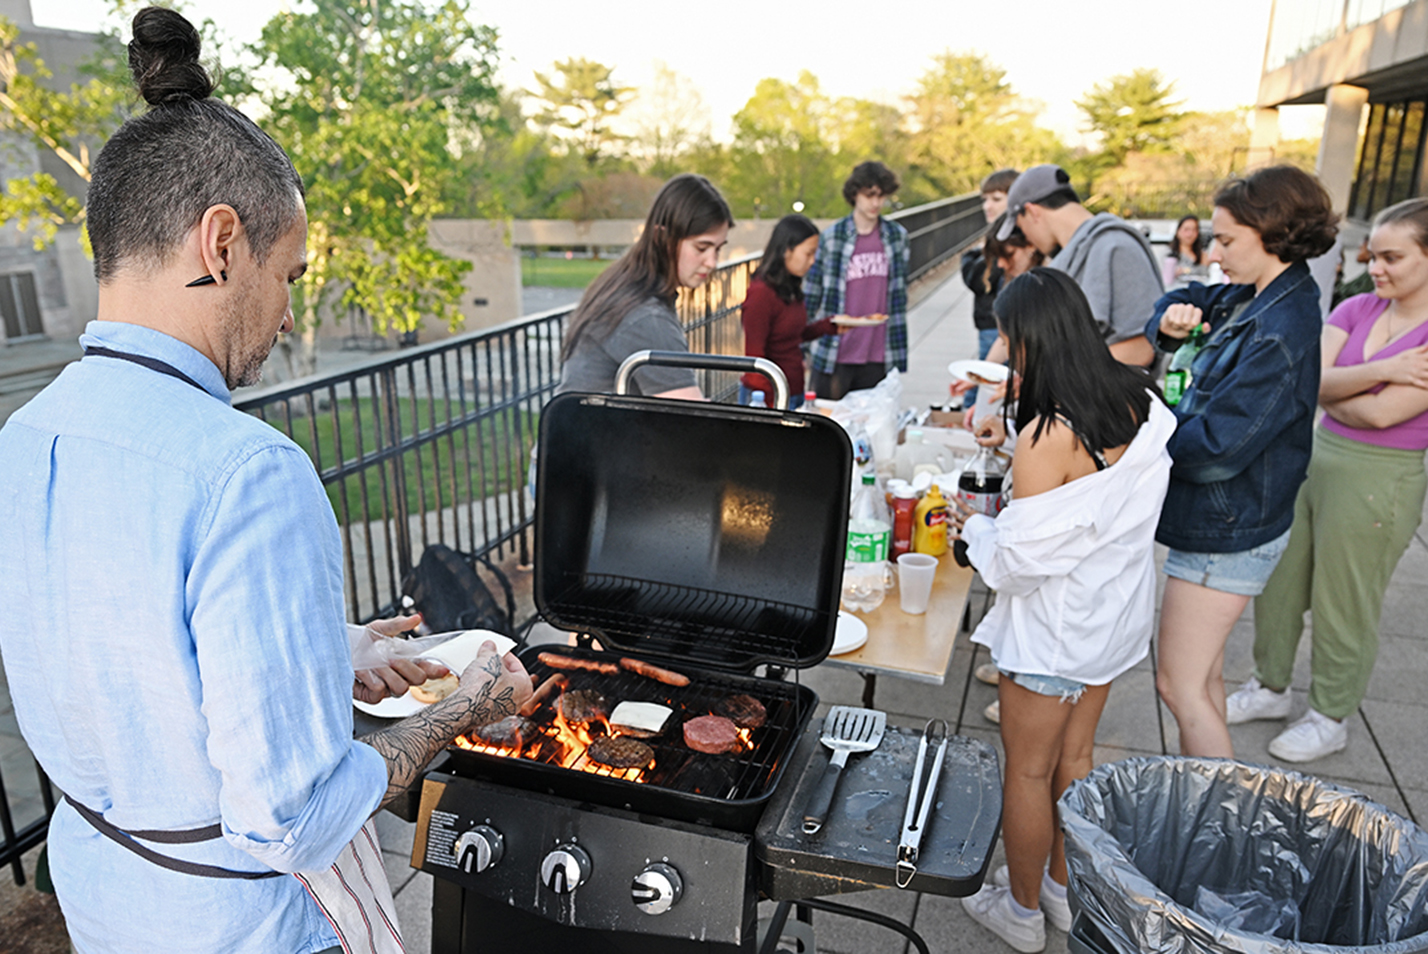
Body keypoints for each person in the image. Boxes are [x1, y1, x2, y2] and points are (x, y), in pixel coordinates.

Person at [0, 10, 533, 953]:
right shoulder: (249, 474)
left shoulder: (28, 434)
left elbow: (131, 658)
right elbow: (290, 821)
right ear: (221, 243)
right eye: (288, 273)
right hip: (239, 924)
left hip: (107, 895)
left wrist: (326, 650)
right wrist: (463, 706)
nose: (288, 311)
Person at [951, 268, 1174, 953]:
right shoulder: (1140, 394)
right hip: (1114, 617)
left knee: (1025, 768)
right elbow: (1085, 499)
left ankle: (1018, 914)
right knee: (1075, 759)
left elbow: (1019, 562)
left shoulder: (1049, 433)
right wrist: (1010, 442)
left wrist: (972, 533)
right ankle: (1058, 888)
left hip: (1051, 631)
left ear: (1029, 343)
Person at [1228, 197, 1428, 762]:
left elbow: (1385, 415)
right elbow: (1311, 378)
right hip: (1313, 458)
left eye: (1393, 257)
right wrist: (1385, 372)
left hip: (1380, 479)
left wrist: (1339, 389)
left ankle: (1329, 715)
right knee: (1279, 584)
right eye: (1373, 256)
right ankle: (1269, 686)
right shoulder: (1359, 305)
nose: (1376, 268)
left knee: (1345, 600)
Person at [1149, 165, 1339, 759]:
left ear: (1274, 233)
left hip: (1226, 527)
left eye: (1227, 240)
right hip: (1226, 523)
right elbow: (1192, 296)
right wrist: (1172, 312)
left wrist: (1135, 436)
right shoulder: (1255, 295)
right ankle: (1216, 822)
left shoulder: (1281, 327)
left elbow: (1216, 450)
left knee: (1178, 686)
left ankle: (1215, 826)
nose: (1215, 252)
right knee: (1200, 680)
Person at [556, 172, 733, 398]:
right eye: (701, 248)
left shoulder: (625, 283)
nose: (712, 262)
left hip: (588, 429)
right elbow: (689, 420)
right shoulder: (646, 316)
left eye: (718, 249)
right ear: (663, 237)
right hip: (603, 432)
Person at [1001, 164, 1163, 368]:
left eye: (1020, 227)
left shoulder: (1115, 246)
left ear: (1031, 211)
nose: (1027, 237)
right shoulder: (1077, 251)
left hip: (1110, 395)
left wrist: (1051, 376)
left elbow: (1141, 348)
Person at [805, 160, 912, 399]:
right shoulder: (833, 237)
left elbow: (898, 295)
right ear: (855, 194)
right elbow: (812, 294)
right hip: (836, 351)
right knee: (829, 426)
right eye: (869, 195)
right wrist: (801, 346)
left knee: (872, 429)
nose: (875, 203)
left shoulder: (897, 237)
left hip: (878, 351)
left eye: (881, 196)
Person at [738, 213, 837, 408]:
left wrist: (829, 326)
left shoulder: (790, 287)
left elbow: (791, 336)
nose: (812, 261)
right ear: (787, 251)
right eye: (808, 253)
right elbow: (755, 358)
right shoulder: (761, 294)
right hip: (770, 397)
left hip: (793, 391)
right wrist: (771, 405)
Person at [962, 169, 1022, 403]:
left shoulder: (1021, 244)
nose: (988, 206)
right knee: (985, 390)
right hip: (997, 329)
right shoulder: (991, 241)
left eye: (996, 199)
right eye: (985, 200)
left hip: (1006, 330)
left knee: (990, 394)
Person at [1162, 214, 1211, 289]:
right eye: (1186, 230)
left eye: (1194, 230)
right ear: (1178, 231)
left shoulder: (1203, 255)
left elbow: (1207, 276)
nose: (1190, 234)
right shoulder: (1169, 254)